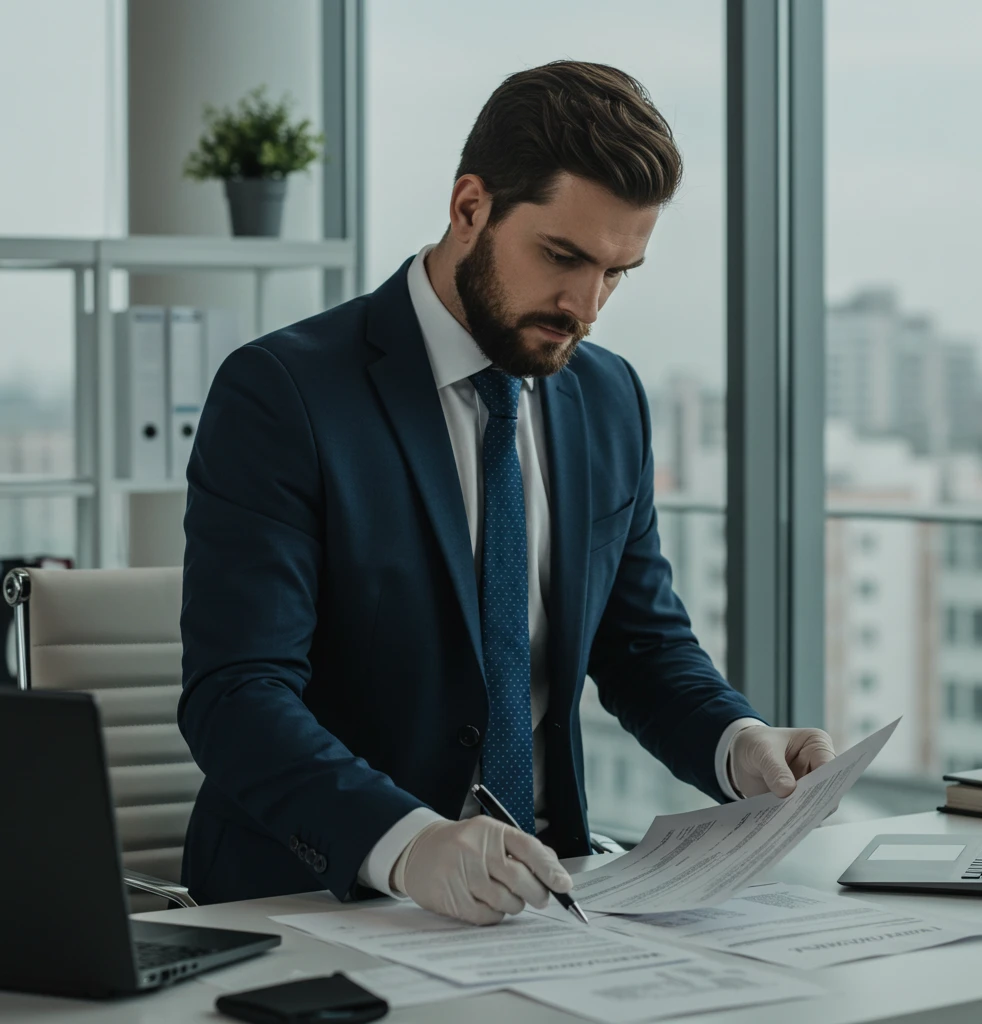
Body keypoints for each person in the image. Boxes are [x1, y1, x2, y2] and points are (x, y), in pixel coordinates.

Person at [178, 60, 836, 925]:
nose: (586, 305)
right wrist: (407, 843)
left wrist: (739, 744)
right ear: (470, 208)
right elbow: (237, 695)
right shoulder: (283, 393)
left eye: (616, 272)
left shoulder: (607, 397)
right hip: (318, 903)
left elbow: (642, 647)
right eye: (562, 256)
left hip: (548, 899)